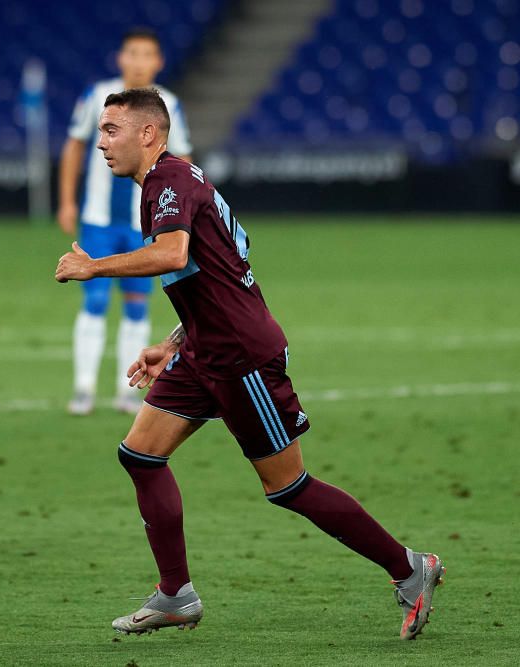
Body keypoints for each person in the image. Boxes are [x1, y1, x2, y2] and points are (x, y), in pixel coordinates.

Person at [55, 88, 444, 639]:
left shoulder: (169, 182)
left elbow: (173, 255)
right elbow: (212, 272)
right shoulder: (170, 183)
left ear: (149, 133)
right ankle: (175, 595)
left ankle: (410, 569)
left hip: (241, 358)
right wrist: (174, 342)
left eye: (111, 130)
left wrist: (94, 267)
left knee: (288, 487)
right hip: (203, 350)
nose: (101, 143)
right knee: (140, 455)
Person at [57, 28, 192, 416]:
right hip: (97, 219)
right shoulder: (99, 97)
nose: (137, 61)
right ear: (121, 58)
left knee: (136, 304)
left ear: (157, 62)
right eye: (131, 53)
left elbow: (182, 160)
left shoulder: (170, 106)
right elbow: (75, 145)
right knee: (95, 298)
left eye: (145, 54)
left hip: (145, 223)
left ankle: (124, 390)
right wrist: (66, 200)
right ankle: (83, 387)